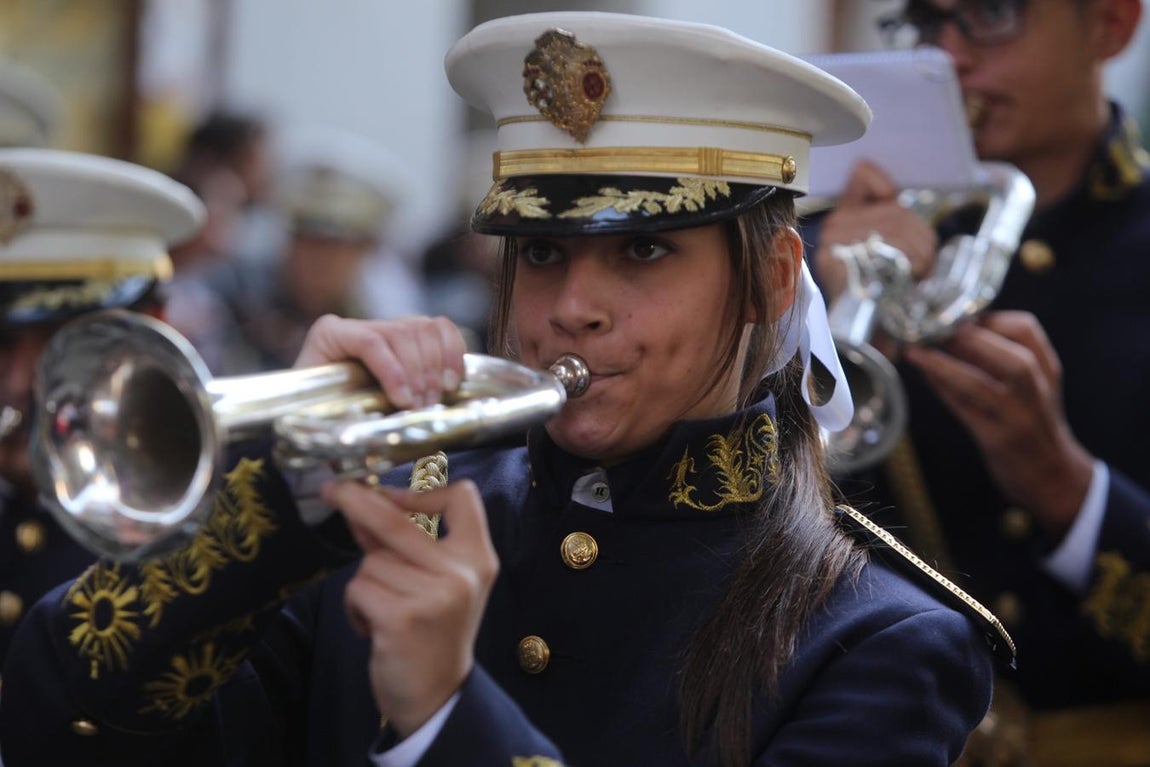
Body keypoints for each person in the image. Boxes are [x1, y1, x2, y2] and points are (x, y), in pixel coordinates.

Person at [0, 13, 1009, 766]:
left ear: (774, 277)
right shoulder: (392, 506)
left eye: (644, 250)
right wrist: (281, 493)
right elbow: (60, 715)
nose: (571, 306)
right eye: (539, 250)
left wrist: (447, 712)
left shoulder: (883, 638)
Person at [808, 0, 1150, 762]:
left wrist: (1064, 487)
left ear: (1112, 25)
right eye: (927, 24)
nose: (947, 58)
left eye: (991, 15)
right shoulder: (827, 247)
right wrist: (819, 322)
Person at [0, 147, 203, 669]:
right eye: (1, 343)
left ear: (156, 327)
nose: (20, 383)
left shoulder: (204, 528)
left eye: (59, 342)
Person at [166, 127, 422, 375]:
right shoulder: (232, 299)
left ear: (367, 250)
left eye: (337, 247)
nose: (320, 259)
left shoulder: (378, 317)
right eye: (309, 240)